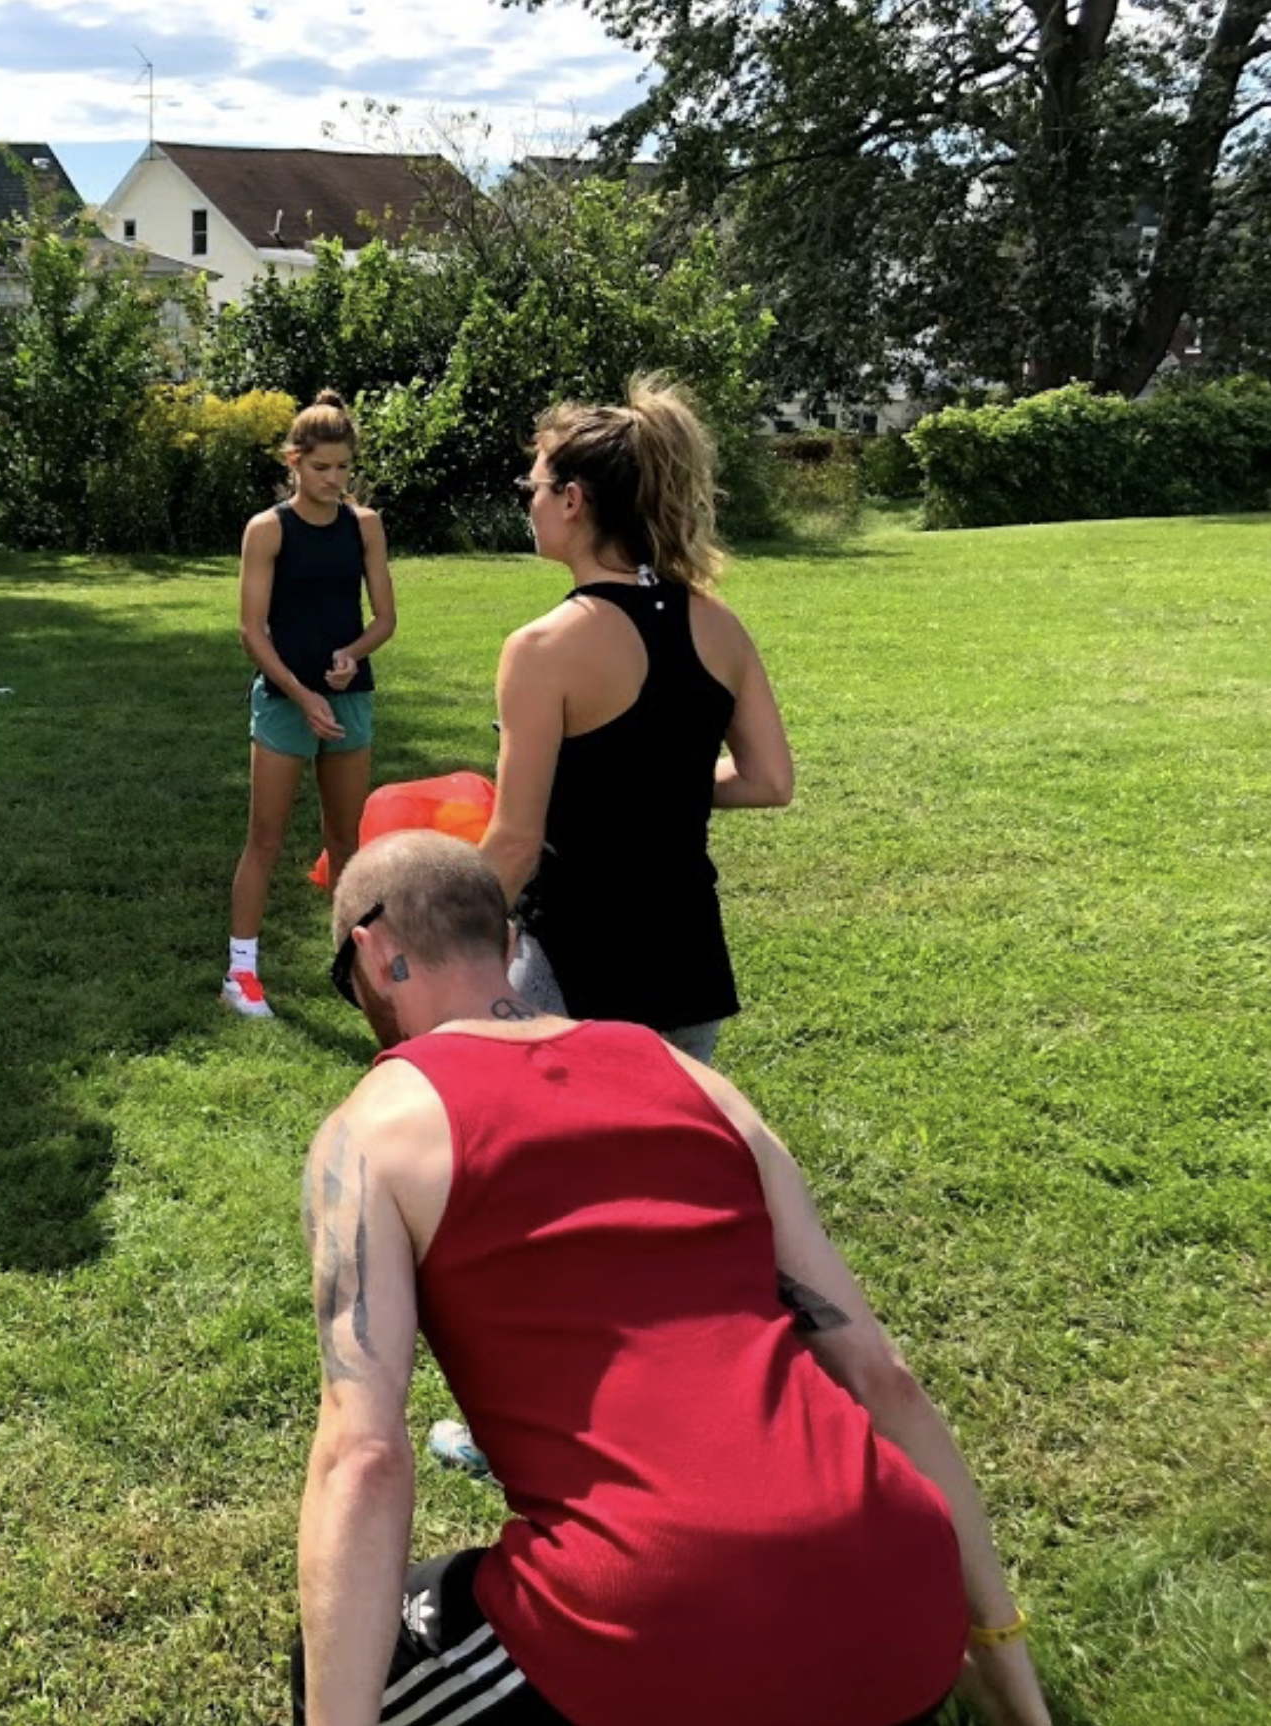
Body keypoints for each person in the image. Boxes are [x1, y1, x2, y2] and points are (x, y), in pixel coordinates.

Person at [294, 831, 1052, 1726]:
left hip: (651, 1624)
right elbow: (885, 1379)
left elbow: (365, 1455)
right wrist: (1018, 1688)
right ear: (506, 948)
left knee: (336, 1650)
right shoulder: (695, 1081)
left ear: (379, 955)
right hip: (899, 1612)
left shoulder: (375, 1128)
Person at [478, 375, 793, 1066]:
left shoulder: (542, 648)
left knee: (561, 1171)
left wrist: (448, 948)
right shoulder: (719, 624)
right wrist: (657, 780)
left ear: (572, 499)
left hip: (573, 968)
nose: (528, 504)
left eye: (532, 488)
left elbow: (514, 844)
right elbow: (770, 779)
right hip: (687, 964)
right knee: (667, 1166)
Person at [224, 389, 397, 1020]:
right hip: (282, 700)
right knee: (264, 839)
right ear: (293, 461)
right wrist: (301, 695)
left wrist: (352, 654)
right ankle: (240, 973)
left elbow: (385, 618)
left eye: (344, 468)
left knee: (346, 840)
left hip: (350, 701)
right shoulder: (268, 530)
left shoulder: (365, 526)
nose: (334, 480)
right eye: (321, 467)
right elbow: (251, 629)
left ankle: (349, 968)